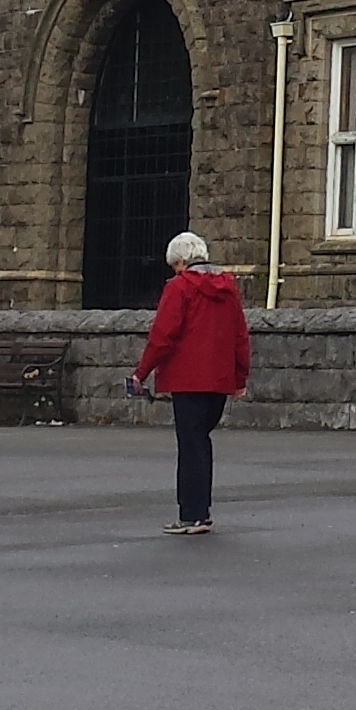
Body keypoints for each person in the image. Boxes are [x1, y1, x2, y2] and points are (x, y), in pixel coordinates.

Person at [128, 230, 251, 536]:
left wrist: (141, 372)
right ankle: (200, 512)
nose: (174, 271)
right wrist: (240, 377)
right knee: (201, 443)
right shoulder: (228, 288)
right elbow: (240, 335)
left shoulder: (179, 287)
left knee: (191, 445)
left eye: (174, 265)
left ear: (181, 262)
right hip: (220, 379)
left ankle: (192, 515)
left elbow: (162, 336)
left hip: (187, 378)